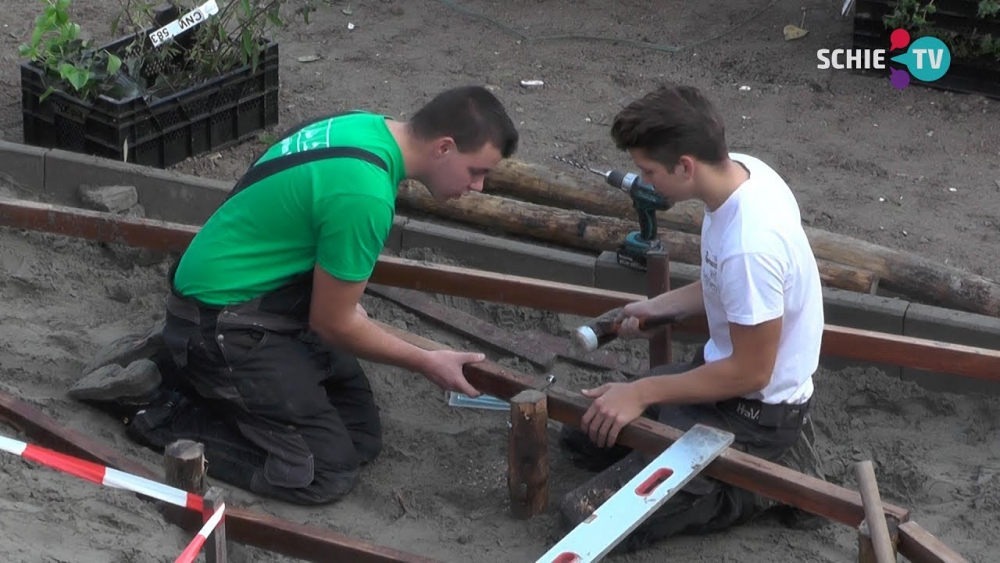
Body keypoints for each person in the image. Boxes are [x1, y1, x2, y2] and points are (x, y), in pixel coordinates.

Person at [72, 85, 519, 506]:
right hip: (224, 322)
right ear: (443, 147)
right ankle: (155, 405)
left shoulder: (362, 126)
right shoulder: (364, 192)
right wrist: (426, 360)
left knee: (360, 437)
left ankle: (178, 361)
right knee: (323, 472)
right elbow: (334, 323)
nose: (477, 187)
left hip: (260, 297)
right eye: (476, 171)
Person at [557, 83, 826, 551]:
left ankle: (768, 481)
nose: (644, 182)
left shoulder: (751, 243)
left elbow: (751, 370)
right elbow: (728, 287)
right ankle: (702, 450)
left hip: (755, 415)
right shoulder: (745, 173)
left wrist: (641, 390)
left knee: (583, 519)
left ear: (685, 165)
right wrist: (660, 307)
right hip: (720, 383)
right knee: (584, 436)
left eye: (648, 171)